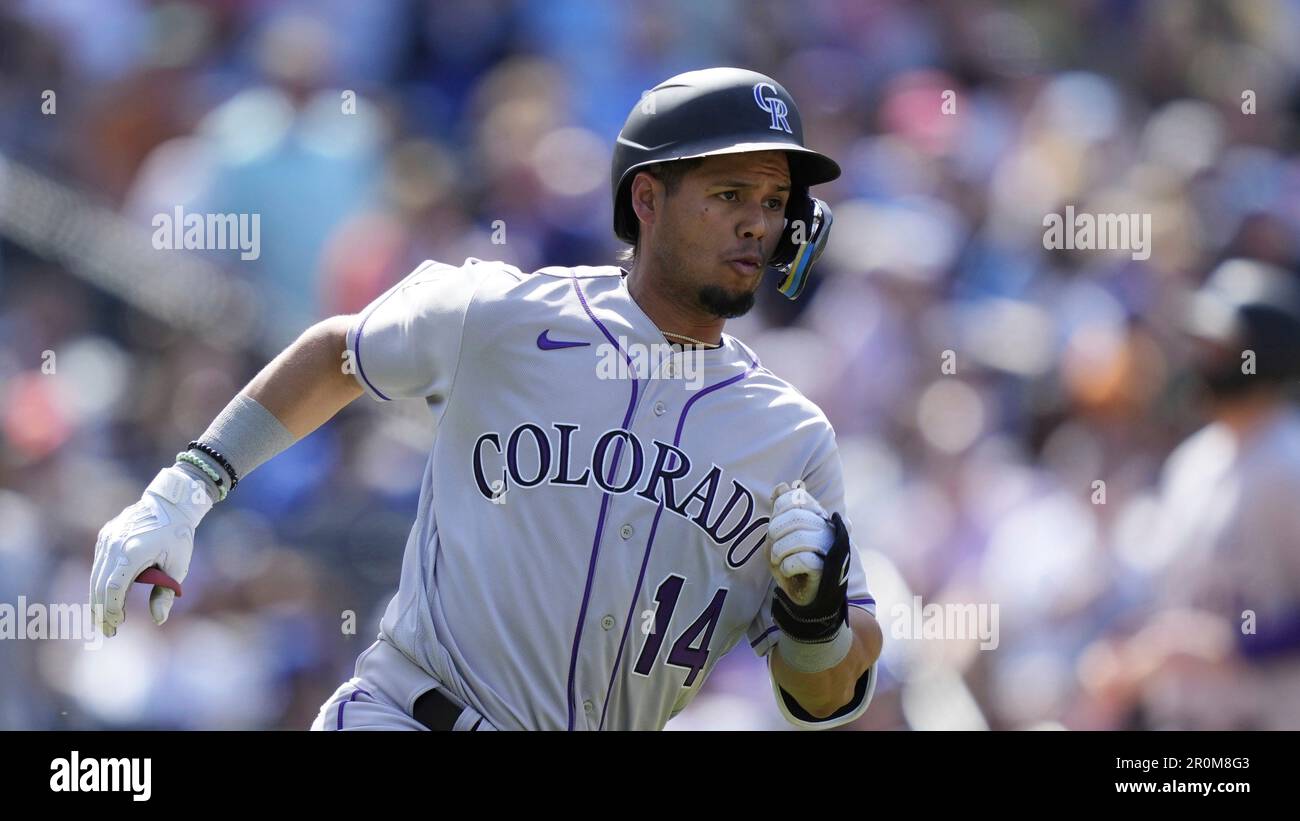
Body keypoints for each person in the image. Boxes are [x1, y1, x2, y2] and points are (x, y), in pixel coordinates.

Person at [89, 67, 883, 731]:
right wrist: (184, 490)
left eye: (775, 203)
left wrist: (817, 621)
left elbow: (826, 695)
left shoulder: (792, 439)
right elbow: (337, 351)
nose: (757, 222)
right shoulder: (500, 316)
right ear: (647, 199)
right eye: (730, 192)